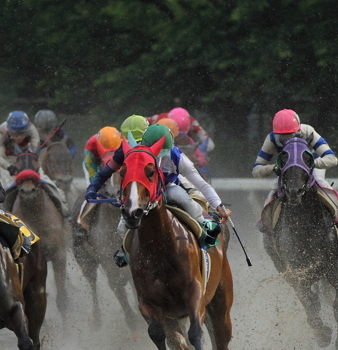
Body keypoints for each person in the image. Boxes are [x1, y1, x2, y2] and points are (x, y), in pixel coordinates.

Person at [86, 119, 231, 264]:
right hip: (145, 191)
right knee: (122, 225)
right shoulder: (131, 153)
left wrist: (218, 204)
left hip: (168, 186)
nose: (161, 158)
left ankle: (204, 226)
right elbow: (105, 172)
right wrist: (92, 188)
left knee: (180, 195)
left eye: (164, 153)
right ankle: (125, 251)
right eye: (158, 153)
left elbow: (200, 183)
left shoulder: (177, 156)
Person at [251, 109, 338, 230]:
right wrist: (272, 168)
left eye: (291, 134)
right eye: (283, 136)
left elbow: (332, 158)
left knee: (320, 182)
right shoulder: (271, 138)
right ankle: (266, 222)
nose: (288, 138)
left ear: (298, 130)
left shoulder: (308, 131)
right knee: (274, 190)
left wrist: (310, 163)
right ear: (276, 134)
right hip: (288, 170)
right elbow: (256, 169)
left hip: (312, 165)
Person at [0, 110, 68, 213]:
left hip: (28, 157)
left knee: (47, 181)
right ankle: (2, 213)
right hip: (8, 160)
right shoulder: (1, 132)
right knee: (7, 187)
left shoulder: (31, 129)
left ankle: (64, 209)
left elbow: (35, 149)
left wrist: (32, 163)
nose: (19, 137)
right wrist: (8, 167)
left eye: (22, 133)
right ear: (9, 131)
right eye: (15, 134)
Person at [75, 126, 123, 232]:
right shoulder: (90, 147)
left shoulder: (124, 142)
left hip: (118, 161)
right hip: (95, 164)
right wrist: (96, 186)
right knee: (95, 190)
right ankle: (82, 222)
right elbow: (93, 174)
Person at [148, 106, 214, 175]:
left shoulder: (189, 135)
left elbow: (210, 145)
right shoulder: (157, 119)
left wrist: (201, 156)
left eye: (182, 135)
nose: (180, 137)